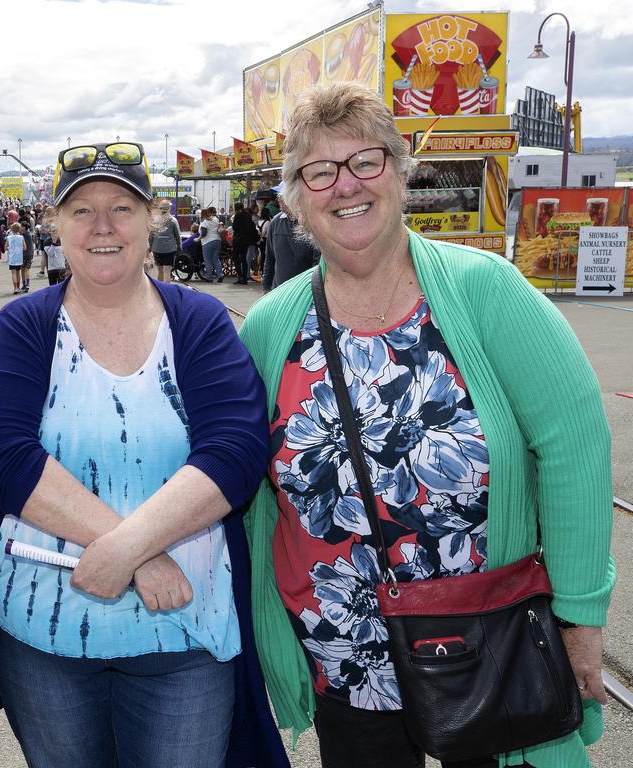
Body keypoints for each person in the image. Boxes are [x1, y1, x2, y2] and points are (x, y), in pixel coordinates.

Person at [238, 82, 614, 768]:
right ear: (295, 197)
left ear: (401, 172)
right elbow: (244, 483)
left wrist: (580, 618)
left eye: (366, 162)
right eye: (319, 171)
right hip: (345, 652)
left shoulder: (487, 290)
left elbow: (576, 448)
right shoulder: (270, 327)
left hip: (489, 643)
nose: (344, 185)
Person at [0, 140, 289, 768]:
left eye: (121, 208)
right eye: (81, 210)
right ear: (55, 225)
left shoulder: (201, 323)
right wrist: (138, 557)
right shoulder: (25, 325)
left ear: (153, 219)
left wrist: (125, 553)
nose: (102, 226)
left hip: (183, 630)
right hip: (41, 633)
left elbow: (236, 451)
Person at [261, 199, 319, 291]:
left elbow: (317, 262)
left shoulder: (308, 222)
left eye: (284, 198)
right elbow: (270, 258)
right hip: (278, 289)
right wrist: (266, 285)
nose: (280, 202)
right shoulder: (275, 222)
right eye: (279, 199)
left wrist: (311, 288)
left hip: (303, 289)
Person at [148, 198, 181, 283]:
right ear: (168, 208)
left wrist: (150, 246)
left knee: (160, 270)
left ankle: (160, 289)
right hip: (169, 249)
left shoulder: (155, 220)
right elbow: (177, 235)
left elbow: (151, 235)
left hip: (157, 249)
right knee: (167, 271)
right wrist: (180, 247)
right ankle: (166, 290)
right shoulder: (173, 221)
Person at [230, 202, 257, 285]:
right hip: (246, 240)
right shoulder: (248, 215)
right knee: (244, 258)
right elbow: (251, 227)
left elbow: (234, 227)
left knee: (235, 257)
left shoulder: (238, 215)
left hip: (238, 239)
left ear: (236, 208)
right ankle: (245, 278)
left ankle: (240, 276)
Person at [198, 206, 224, 283]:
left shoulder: (204, 222)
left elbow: (204, 233)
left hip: (207, 242)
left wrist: (198, 239)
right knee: (215, 259)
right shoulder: (216, 219)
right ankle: (220, 275)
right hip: (217, 241)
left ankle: (209, 277)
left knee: (208, 260)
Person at [6, 221, 24, 294]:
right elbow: (25, 247)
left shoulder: (8, 237)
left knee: (13, 273)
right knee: (18, 272)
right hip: (19, 257)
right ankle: (18, 287)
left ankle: (15, 287)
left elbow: (6, 247)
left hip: (12, 257)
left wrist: (9, 248)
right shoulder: (21, 237)